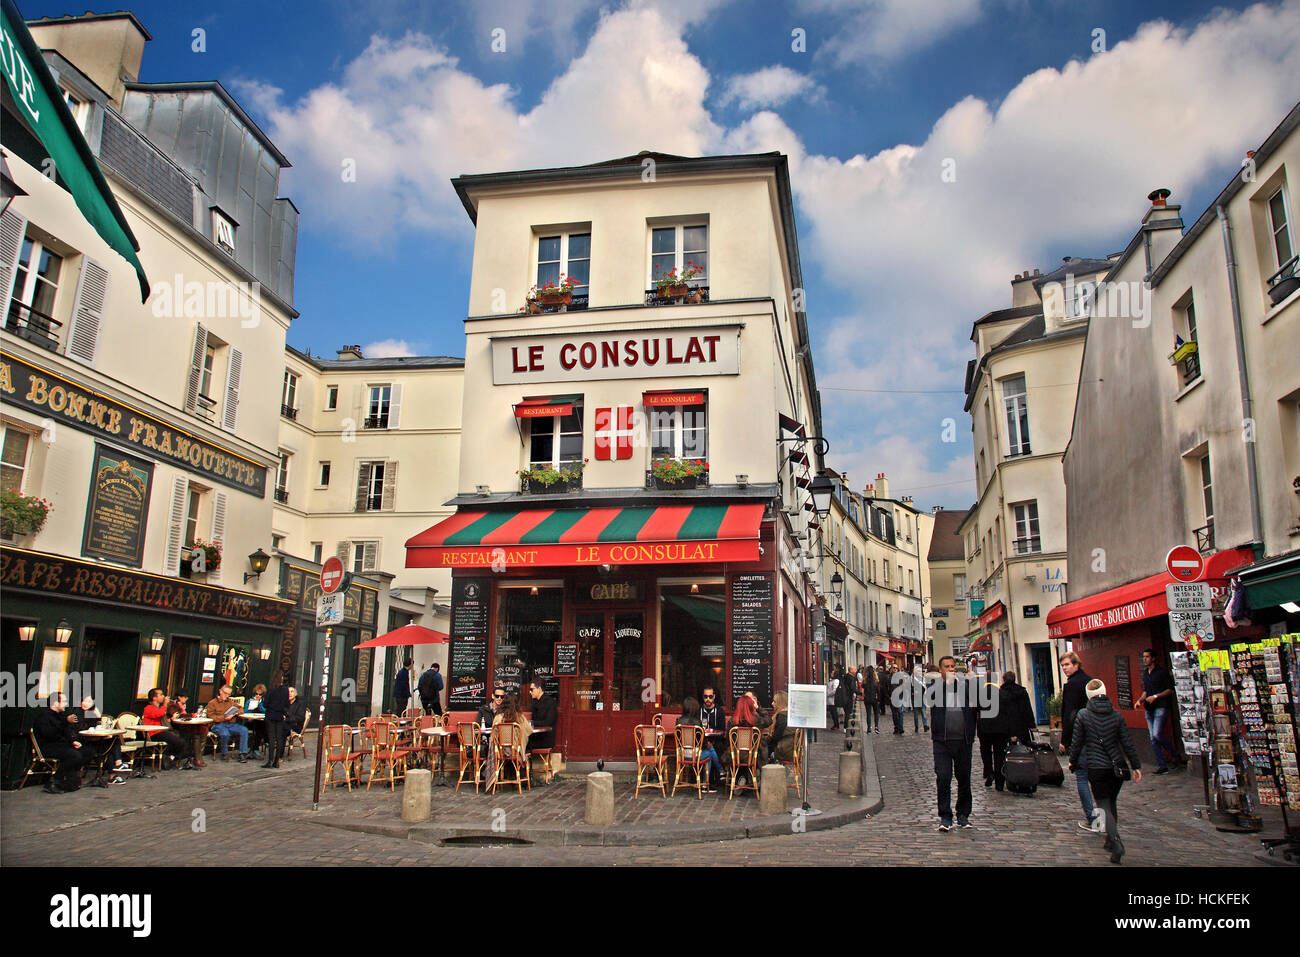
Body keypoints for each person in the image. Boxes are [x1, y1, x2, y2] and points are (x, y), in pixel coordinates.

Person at [1069, 679, 1143, 863]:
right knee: (1112, 802)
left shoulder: (1083, 715)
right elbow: (1127, 742)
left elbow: (1077, 742)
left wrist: (1072, 761)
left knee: (1103, 804)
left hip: (1096, 766)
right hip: (1115, 766)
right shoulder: (1116, 715)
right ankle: (1110, 840)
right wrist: (1135, 765)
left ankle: (1116, 841)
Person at [931, 656, 978, 830]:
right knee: (943, 777)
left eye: (952, 667)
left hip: (963, 740)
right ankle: (945, 816)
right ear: (940, 670)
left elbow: (979, 703)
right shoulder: (934, 687)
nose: (950, 669)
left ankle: (963, 814)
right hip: (942, 741)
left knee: (964, 778)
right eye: (947, 667)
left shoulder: (965, 687)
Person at [1059, 652, 1101, 832]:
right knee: (1097, 778)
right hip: (1096, 736)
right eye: (1063, 666)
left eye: (1067, 665)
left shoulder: (1072, 685)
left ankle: (1091, 817)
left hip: (1081, 736)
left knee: (1082, 777)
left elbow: (1069, 714)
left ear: (1076, 664)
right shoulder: (1090, 681)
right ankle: (1104, 817)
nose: (1065, 668)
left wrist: (1065, 740)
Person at [34, 692, 89, 793]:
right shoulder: (44, 717)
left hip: (61, 746)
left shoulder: (61, 716)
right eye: (64, 702)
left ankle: (71, 780)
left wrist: (73, 741)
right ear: (55, 703)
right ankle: (54, 780)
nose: (66, 704)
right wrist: (66, 722)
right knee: (74, 755)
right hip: (48, 747)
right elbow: (49, 734)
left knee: (86, 752)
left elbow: (66, 732)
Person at [1135, 649, 1175, 774]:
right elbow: (1145, 692)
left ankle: (1174, 755)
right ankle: (1162, 766)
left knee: (1157, 734)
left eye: (1147, 657)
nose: (1144, 659)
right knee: (1153, 738)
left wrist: (1156, 696)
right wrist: (1139, 701)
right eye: (1143, 657)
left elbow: (1170, 690)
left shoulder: (1162, 672)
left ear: (1153, 658)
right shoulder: (1145, 674)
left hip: (1161, 706)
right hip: (1149, 708)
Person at [70, 695, 131, 777]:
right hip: (82, 742)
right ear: (80, 702)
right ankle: (113, 772)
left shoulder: (91, 713)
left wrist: (98, 716)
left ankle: (116, 766)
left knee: (113, 741)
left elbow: (97, 727)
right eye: (85, 701)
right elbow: (78, 729)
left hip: (91, 740)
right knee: (109, 746)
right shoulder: (76, 714)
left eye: (89, 702)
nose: (86, 704)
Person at [678, 696, 722, 793]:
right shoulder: (697, 722)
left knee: (710, 749)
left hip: (682, 754)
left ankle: (719, 771)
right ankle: (705, 784)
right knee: (710, 753)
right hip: (695, 755)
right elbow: (701, 741)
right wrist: (708, 745)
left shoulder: (679, 721)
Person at [142, 689, 189, 770]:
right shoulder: (148, 708)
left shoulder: (159, 707)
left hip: (162, 731)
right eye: (161, 695)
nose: (163, 696)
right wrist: (165, 704)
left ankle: (170, 757)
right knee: (179, 741)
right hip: (154, 733)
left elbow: (164, 717)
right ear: (154, 698)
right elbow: (159, 714)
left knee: (182, 739)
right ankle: (170, 757)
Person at [208, 684, 249, 762]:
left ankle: (242, 753)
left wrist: (235, 714)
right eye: (225, 693)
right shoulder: (212, 703)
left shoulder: (230, 701)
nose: (227, 696)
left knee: (244, 730)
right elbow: (210, 717)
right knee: (225, 733)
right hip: (218, 725)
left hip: (230, 724)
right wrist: (224, 717)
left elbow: (241, 709)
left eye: (229, 694)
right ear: (220, 691)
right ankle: (224, 753)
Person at [167, 692, 204, 768]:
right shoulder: (174, 705)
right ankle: (192, 758)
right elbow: (178, 715)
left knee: (198, 733)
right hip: (177, 727)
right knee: (193, 736)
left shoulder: (181, 705)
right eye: (185, 697)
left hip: (182, 726)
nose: (187, 699)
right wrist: (192, 715)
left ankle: (196, 758)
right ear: (180, 697)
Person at [263, 673, 290, 768]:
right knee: (279, 738)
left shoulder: (271, 689)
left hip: (271, 715)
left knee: (271, 738)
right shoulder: (285, 690)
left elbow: (265, 703)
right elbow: (287, 703)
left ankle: (270, 760)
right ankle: (276, 761)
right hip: (279, 715)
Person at [767, 691, 797, 763]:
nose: (772, 704)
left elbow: (777, 736)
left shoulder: (782, 716)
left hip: (783, 751)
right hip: (791, 749)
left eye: (774, 701)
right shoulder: (790, 715)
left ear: (780, 703)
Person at [528, 679, 557, 751]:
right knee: (520, 741)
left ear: (539, 689)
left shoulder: (550, 702)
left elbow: (548, 722)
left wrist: (531, 722)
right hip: (536, 736)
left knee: (522, 742)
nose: (530, 692)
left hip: (545, 739)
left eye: (532, 689)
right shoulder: (535, 702)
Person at [245, 684, 268, 756]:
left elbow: (266, 711)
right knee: (260, 727)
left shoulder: (264, 702)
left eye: (260, 694)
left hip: (261, 722)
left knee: (261, 727)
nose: (258, 696)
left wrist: (260, 705)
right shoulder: (249, 701)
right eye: (256, 694)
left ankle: (255, 748)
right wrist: (252, 707)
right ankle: (255, 748)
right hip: (250, 722)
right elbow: (245, 712)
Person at [910, 664, 930, 733]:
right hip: (915, 698)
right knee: (916, 714)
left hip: (922, 697)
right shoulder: (912, 678)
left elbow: (925, 687)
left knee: (923, 712)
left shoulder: (923, 678)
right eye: (918, 671)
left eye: (920, 671)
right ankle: (917, 727)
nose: (919, 672)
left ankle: (925, 726)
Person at [860, 666, 879, 733]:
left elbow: (862, 691)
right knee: (876, 713)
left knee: (868, 713)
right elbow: (878, 690)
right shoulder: (876, 680)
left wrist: (864, 695)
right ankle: (876, 727)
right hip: (874, 698)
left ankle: (869, 728)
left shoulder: (865, 680)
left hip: (867, 698)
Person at [889, 665, 907, 734]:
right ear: (891, 669)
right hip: (892, 698)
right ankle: (896, 727)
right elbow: (886, 687)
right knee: (894, 714)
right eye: (894, 668)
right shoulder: (889, 677)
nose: (895, 669)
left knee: (900, 712)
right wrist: (888, 696)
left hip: (899, 697)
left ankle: (901, 728)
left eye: (897, 668)